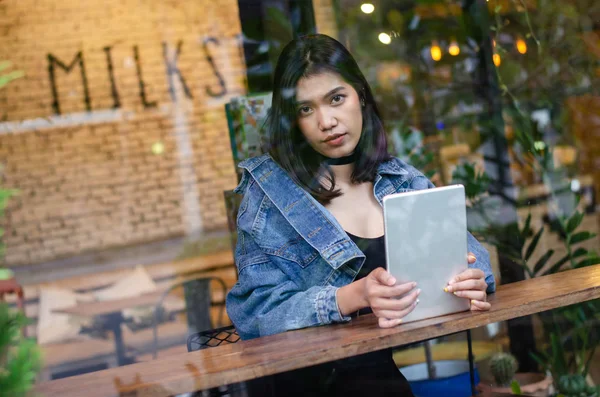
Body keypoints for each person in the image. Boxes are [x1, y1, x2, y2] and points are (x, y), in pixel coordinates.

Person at [226, 34, 495, 397]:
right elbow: (254, 315)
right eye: (305, 109)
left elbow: (477, 262)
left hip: (409, 373)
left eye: (336, 98)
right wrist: (349, 296)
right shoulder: (268, 199)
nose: (326, 121)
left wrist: (472, 281)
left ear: (361, 96)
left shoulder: (404, 181)